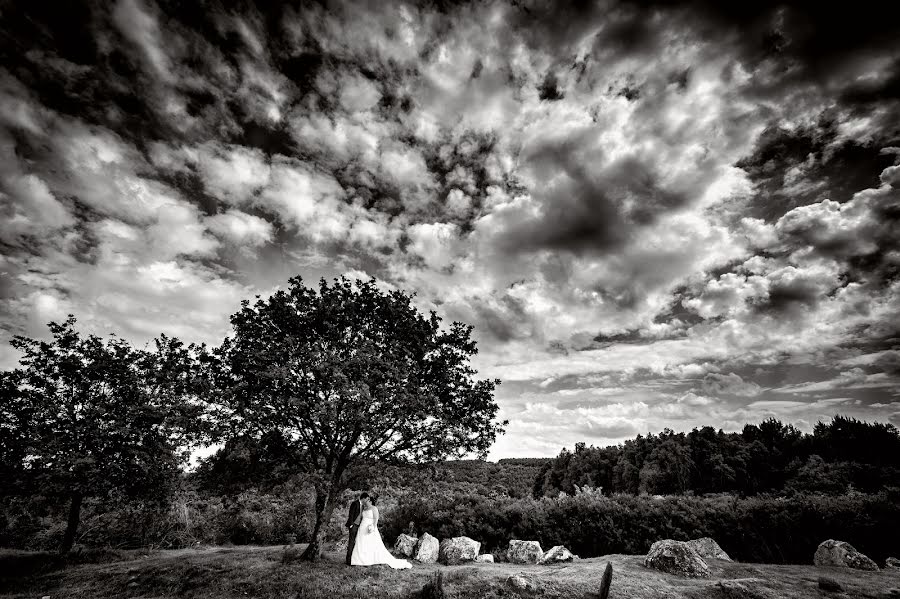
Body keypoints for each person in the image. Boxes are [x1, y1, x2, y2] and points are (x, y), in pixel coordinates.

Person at [350, 494, 412, 569]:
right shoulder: (364, 509)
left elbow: (376, 519)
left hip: (370, 527)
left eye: (368, 501)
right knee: (361, 543)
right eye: (366, 501)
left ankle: (369, 560)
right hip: (362, 527)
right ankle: (359, 560)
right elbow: (361, 518)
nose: (366, 502)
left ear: (370, 501)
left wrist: (373, 527)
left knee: (370, 544)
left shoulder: (374, 508)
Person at [345, 492, 367, 565]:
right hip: (353, 525)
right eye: (366, 499)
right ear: (363, 498)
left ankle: (354, 559)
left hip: (359, 526)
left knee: (357, 543)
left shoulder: (363, 506)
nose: (366, 501)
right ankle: (348, 561)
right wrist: (351, 524)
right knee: (351, 542)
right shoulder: (355, 503)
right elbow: (351, 513)